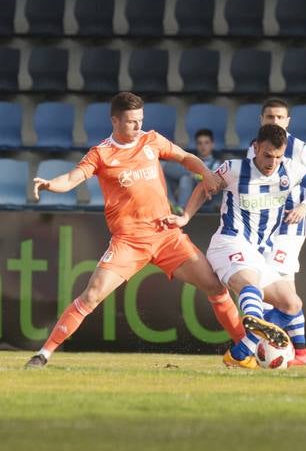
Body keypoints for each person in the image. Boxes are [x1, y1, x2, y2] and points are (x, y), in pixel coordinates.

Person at [24, 92, 267, 368]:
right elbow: (71, 178)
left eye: (140, 120)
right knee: (91, 295)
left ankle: (244, 351)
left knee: (214, 285)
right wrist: (49, 185)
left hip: (166, 235)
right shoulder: (101, 154)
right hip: (128, 242)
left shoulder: (151, 140)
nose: (138, 127)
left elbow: (185, 157)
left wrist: (205, 173)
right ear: (115, 121)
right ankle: (43, 354)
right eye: (131, 122)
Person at [167, 124, 306, 369]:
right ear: (255, 148)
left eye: (277, 156)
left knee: (292, 304)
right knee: (250, 282)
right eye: (267, 155)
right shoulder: (234, 169)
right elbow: (205, 187)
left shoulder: (291, 170)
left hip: (257, 253)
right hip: (229, 243)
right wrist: (185, 217)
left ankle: (242, 351)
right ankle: (255, 323)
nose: (272, 162)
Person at [250, 99, 306, 365]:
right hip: (265, 227)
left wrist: (304, 206)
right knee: (285, 289)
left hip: (290, 227)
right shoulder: (256, 147)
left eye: (279, 117)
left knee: (275, 287)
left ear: (288, 121)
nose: (274, 122)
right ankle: (300, 352)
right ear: (262, 119)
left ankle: (257, 343)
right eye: (270, 117)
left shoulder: (302, 149)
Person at [174, 128, 218, 212]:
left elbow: (214, 180)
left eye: (206, 143)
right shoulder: (190, 161)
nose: (203, 146)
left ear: (212, 145)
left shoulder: (217, 164)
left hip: (208, 196)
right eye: (200, 143)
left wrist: (196, 175)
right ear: (196, 145)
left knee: (186, 178)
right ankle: (178, 208)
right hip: (190, 195)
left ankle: (181, 210)